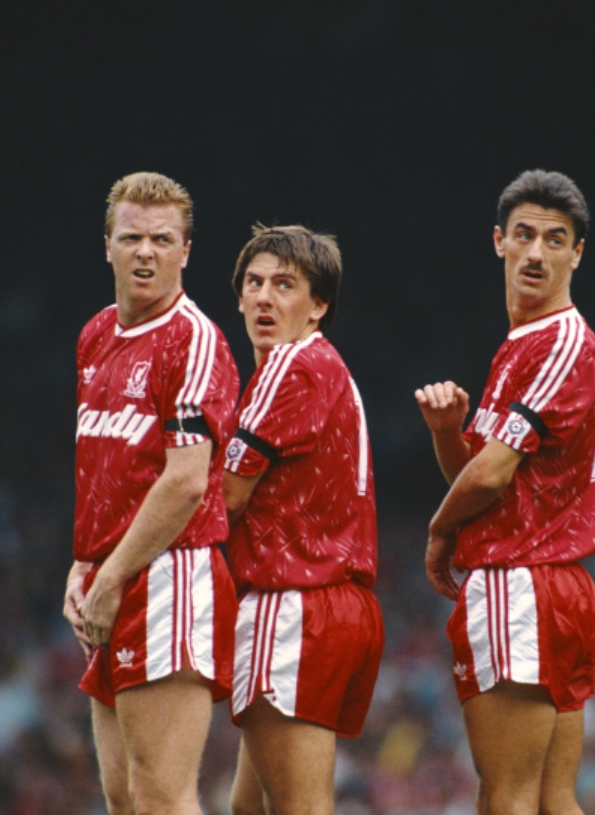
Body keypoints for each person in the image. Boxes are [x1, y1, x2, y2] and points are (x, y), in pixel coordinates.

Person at [416, 170, 595, 815]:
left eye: (555, 240)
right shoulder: (523, 347)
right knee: (551, 800)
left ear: (577, 253)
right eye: (523, 236)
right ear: (499, 241)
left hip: (522, 583)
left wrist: (441, 532)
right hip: (551, 584)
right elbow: (480, 478)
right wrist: (448, 434)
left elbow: (491, 476)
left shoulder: (559, 341)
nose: (536, 252)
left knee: (507, 800)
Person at [62, 172, 240, 815]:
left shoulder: (192, 339)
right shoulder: (95, 335)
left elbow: (187, 479)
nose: (146, 252)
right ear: (106, 244)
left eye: (162, 240)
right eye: (131, 237)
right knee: (123, 798)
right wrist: (84, 563)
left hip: (170, 575)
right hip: (112, 573)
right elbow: (103, 465)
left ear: (186, 251)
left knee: (162, 797)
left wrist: (109, 577)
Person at [221, 225, 383, 815]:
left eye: (284, 285)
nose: (264, 297)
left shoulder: (287, 366)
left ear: (319, 307)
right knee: (249, 807)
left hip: (293, 604)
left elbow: (226, 499)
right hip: (341, 607)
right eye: (254, 283)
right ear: (238, 297)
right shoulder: (328, 368)